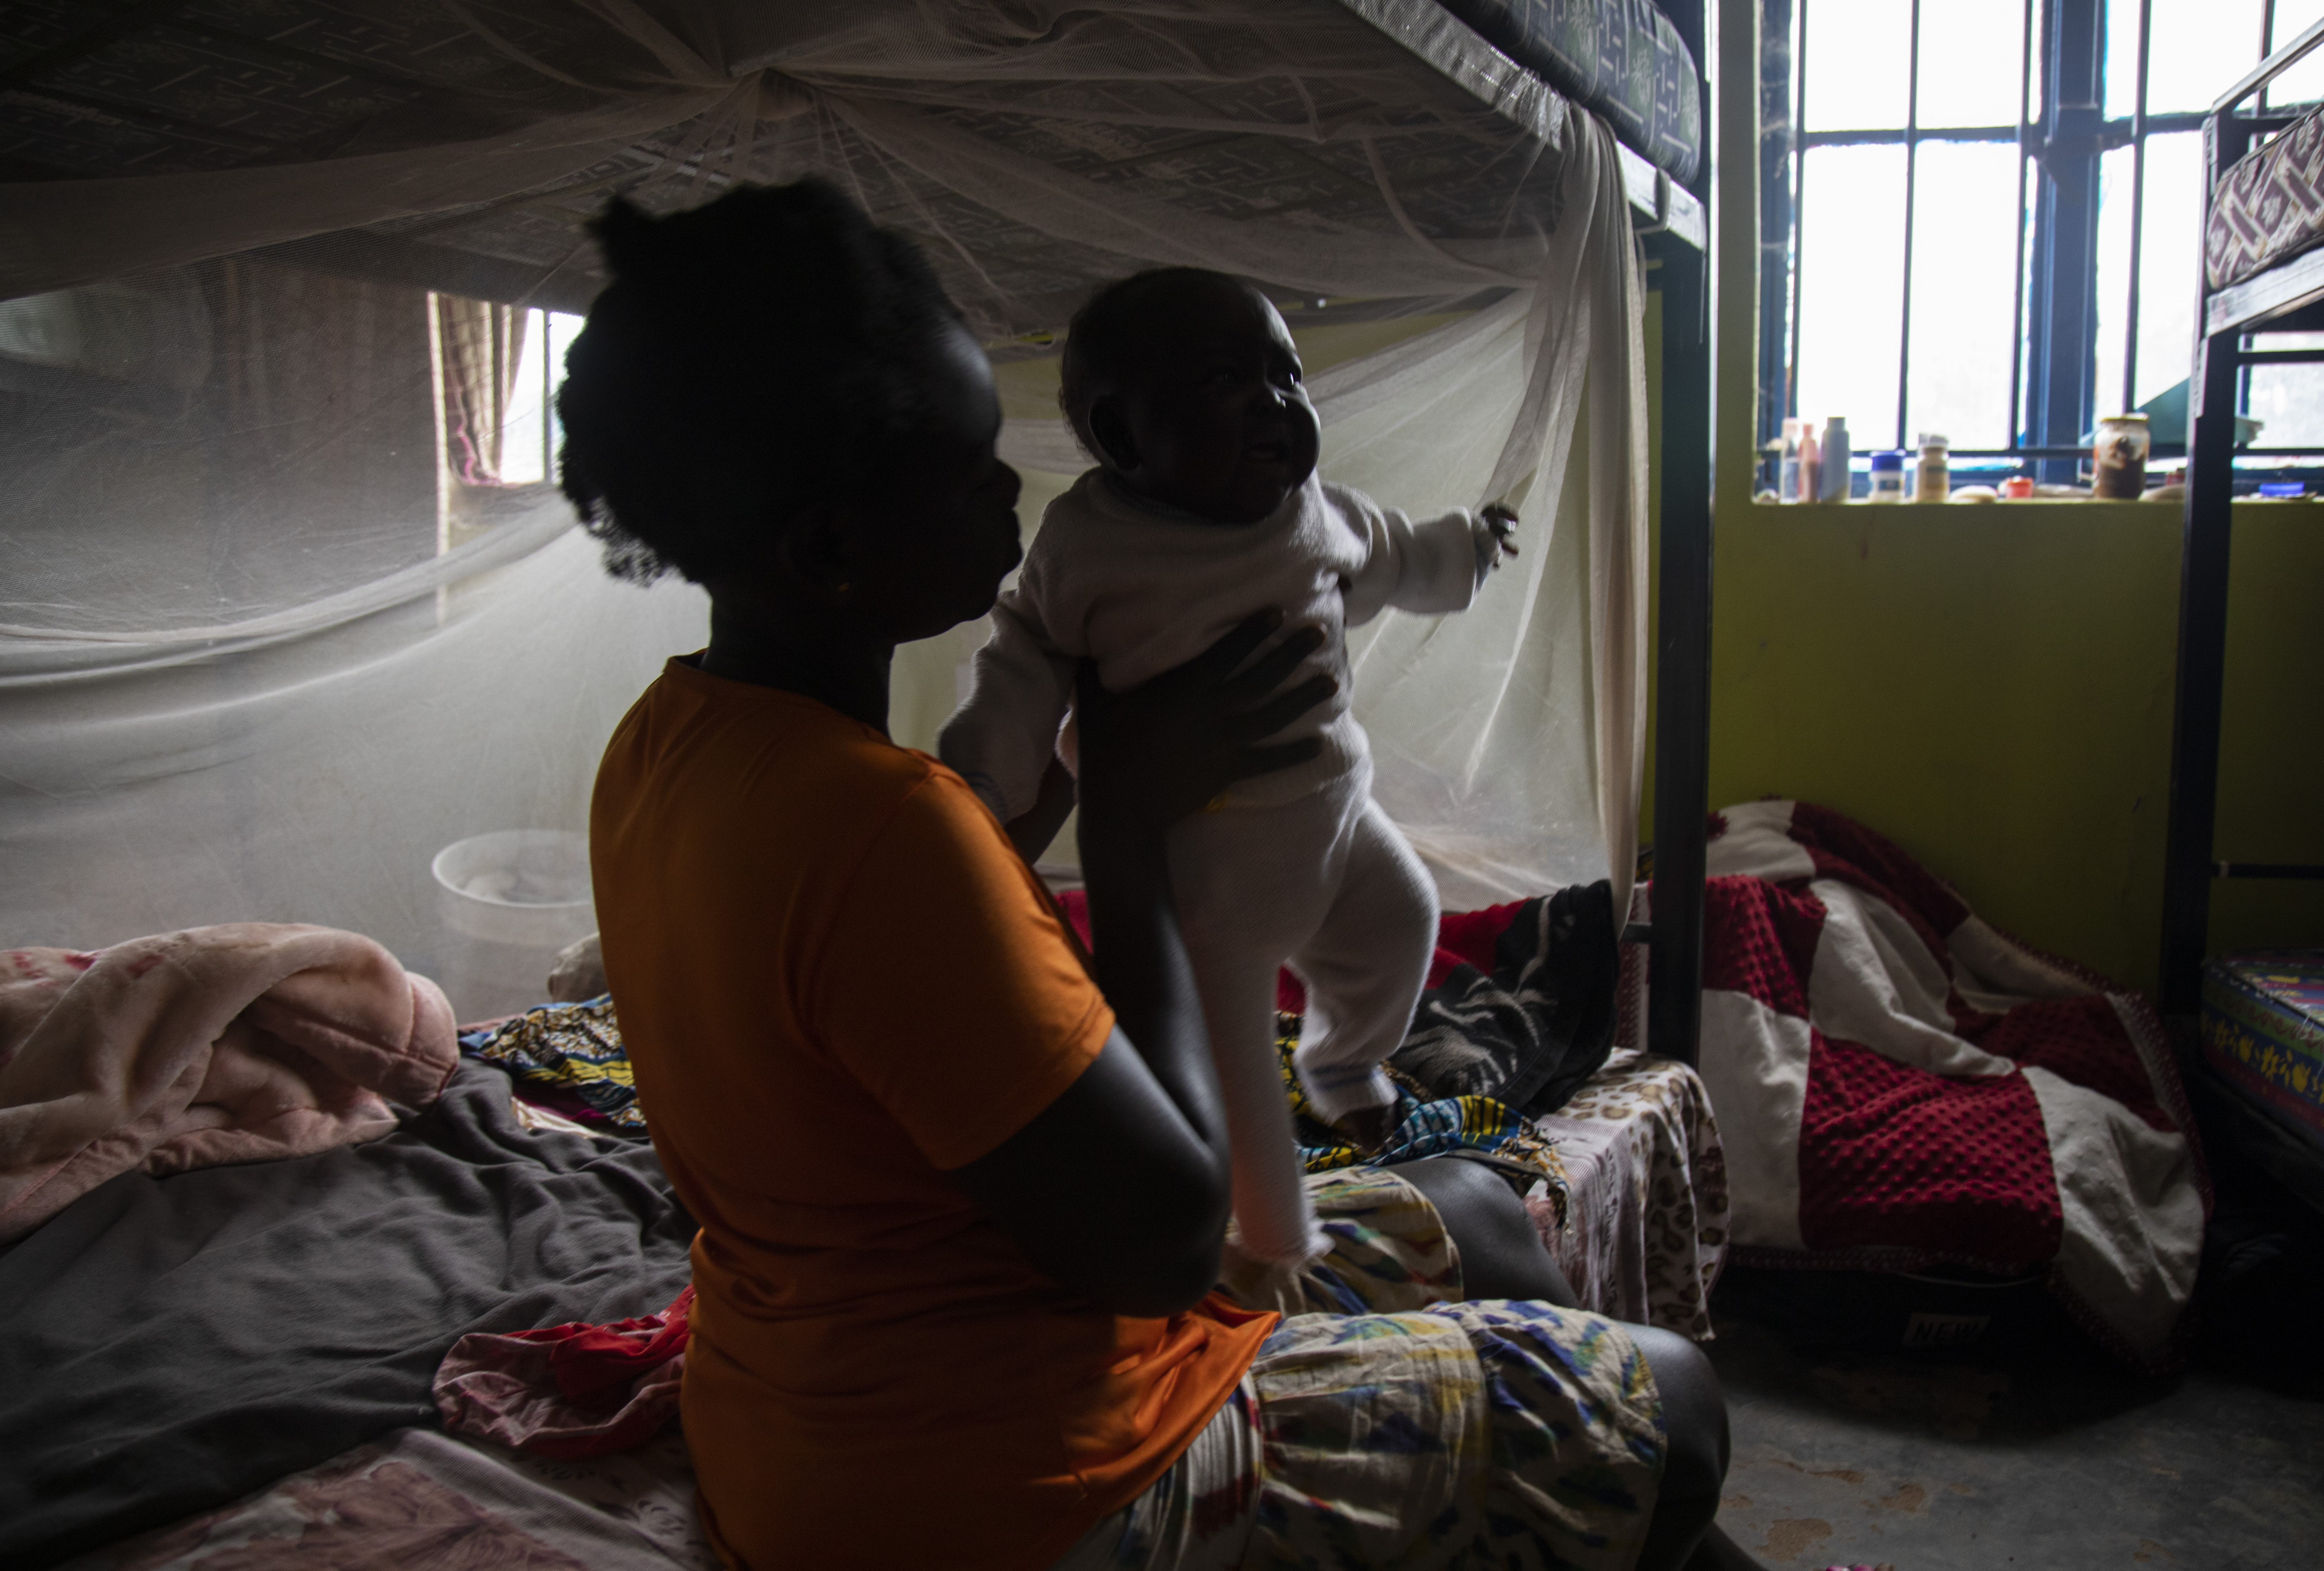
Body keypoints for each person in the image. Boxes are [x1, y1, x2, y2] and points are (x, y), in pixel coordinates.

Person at [564, 178, 1767, 1571]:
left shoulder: (668, 747)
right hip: (1005, 1487)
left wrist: (1014, 832)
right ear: (831, 547)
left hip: (802, 1416)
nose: (1014, 486)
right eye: (967, 467)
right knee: (1670, 1406)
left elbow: (850, 981)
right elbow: (1172, 1237)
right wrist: (1127, 837)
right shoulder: (890, 827)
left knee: (1480, 1208)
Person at [937, 267, 1520, 1267]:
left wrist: (1463, 548)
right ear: (1123, 439)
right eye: (1222, 382)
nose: (1276, 406)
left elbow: (1391, 557)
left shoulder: (1317, 511)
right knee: (1240, 1065)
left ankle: (1343, 1063)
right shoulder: (1088, 545)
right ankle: (1274, 1247)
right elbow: (1024, 661)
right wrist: (990, 780)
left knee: (1405, 918)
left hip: (1342, 813)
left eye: (1286, 377)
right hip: (1214, 865)